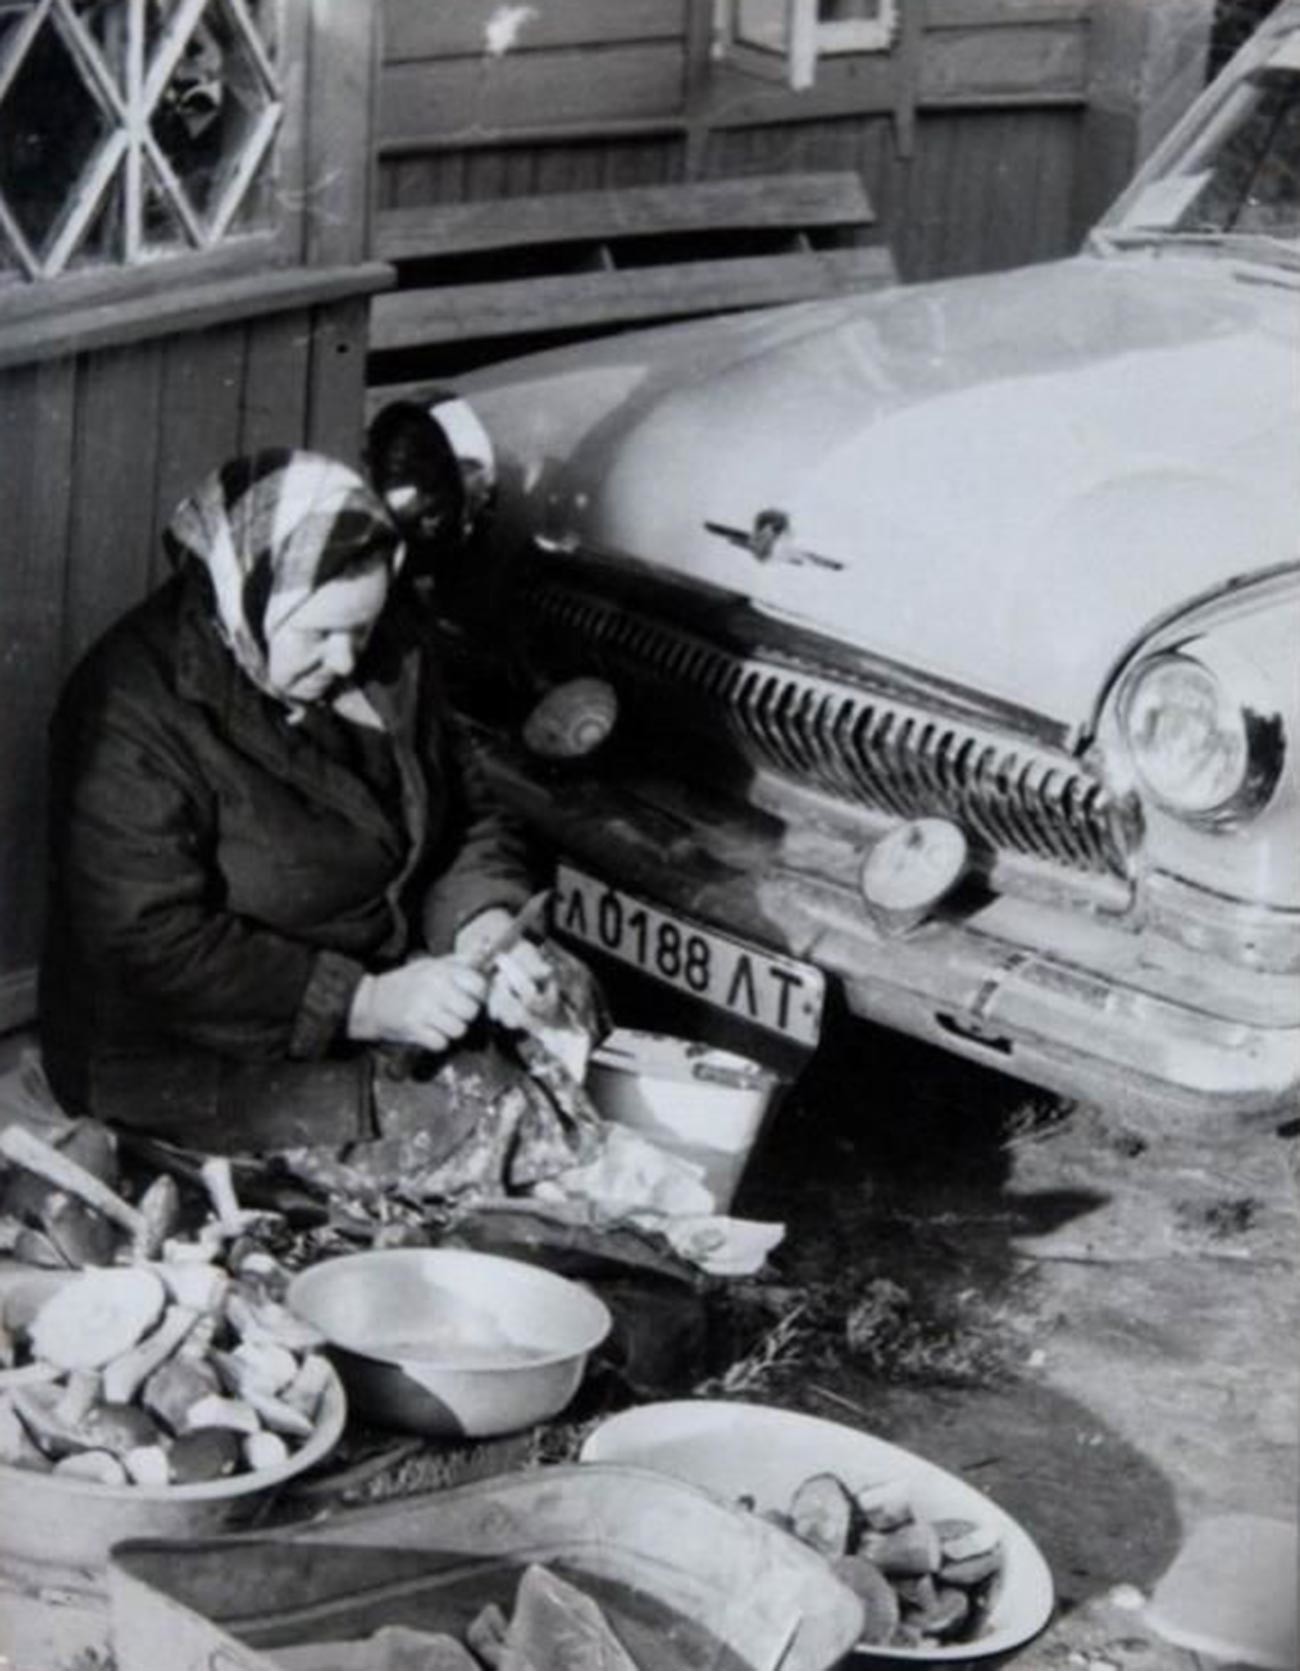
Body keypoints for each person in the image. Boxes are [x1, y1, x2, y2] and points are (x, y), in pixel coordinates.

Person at [39, 449, 559, 1156]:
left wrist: (483, 927)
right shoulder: (134, 706)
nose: (346, 660)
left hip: (389, 985)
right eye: (317, 634)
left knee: (562, 1022)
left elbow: (467, 814)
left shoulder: (392, 652)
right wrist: (362, 1003)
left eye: (362, 628)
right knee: (493, 1135)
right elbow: (149, 942)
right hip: (201, 1052)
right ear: (244, 597)